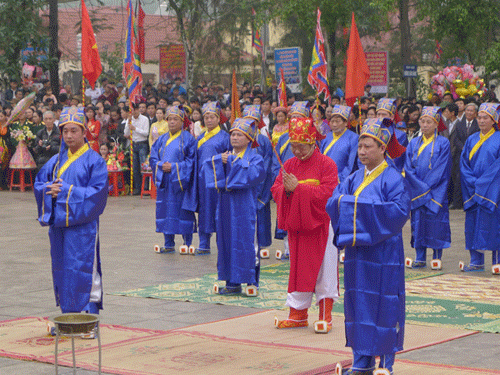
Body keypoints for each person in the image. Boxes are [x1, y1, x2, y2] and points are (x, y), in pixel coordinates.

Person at [326, 118, 410, 375]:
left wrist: (354, 208)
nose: (362, 151)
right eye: (360, 146)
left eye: (368, 146)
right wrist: (349, 206)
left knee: (385, 303)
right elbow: (335, 202)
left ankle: (386, 362)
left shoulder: (393, 178)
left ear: (383, 148)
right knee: (358, 303)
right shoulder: (353, 178)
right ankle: (361, 360)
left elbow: (398, 212)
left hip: (384, 252)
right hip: (357, 253)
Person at [33, 106, 108, 322]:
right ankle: (68, 316)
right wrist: (49, 190)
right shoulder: (56, 160)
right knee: (63, 267)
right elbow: (40, 183)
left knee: (84, 268)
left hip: (83, 227)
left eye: (74, 130)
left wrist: (65, 191)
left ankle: (89, 318)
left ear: (84, 132)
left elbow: (98, 195)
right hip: (59, 226)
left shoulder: (95, 161)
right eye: (65, 131)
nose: (69, 135)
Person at [271, 117, 339, 333]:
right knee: (297, 268)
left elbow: (329, 194)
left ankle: (325, 314)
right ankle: (297, 313)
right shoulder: (289, 164)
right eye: (293, 147)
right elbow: (276, 189)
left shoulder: (327, 164)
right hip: (298, 225)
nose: (297, 152)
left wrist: (298, 189)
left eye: (302, 147)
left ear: (313, 144)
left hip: (321, 225)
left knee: (324, 268)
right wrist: (287, 190)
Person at [203, 117, 265, 294]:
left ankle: (251, 280)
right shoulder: (225, 155)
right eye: (233, 134)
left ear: (249, 138)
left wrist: (230, 162)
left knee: (245, 240)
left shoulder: (256, 158)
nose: (235, 138)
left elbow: (253, 175)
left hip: (245, 205)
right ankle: (232, 282)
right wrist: (217, 160)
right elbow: (208, 170)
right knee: (226, 240)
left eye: (239, 134)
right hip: (225, 204)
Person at [404, 107, 451, 270]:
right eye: (422, 121)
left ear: (436, 124)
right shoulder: (413, 143)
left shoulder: (443, 143)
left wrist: (424, 189)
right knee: (418, 224)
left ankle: (437, 256)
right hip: (417, 191)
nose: (424, 125)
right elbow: (408, 168)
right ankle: (420, 256)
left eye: (428, 122)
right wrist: (419, 188)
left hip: (436, 191)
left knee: (436, 223)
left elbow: (441, 169)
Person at [149, 105, 197, 254]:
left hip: (181, 183)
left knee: (183, 210)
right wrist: (161, 165)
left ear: (182, 121)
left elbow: (192, 161)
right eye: (169, 119)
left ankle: (187, 242)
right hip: (165, 180)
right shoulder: (162, 139)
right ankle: (168, 243)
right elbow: (153, 157)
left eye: (175, 119)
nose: (172, 122)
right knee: (165, 210)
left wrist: (175, 167)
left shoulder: (188, 138)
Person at [459, 103, 500, 273]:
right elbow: (463, 164)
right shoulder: (471, 139)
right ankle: (476, 261)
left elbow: (497, 167)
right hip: (472, 190)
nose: (482, 121)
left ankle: (497, 261)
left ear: (494, 120)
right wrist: (473, 183)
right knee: (472, 225)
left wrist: (482, 184)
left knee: (494, 225)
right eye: (480, 117)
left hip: (493, 190)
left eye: (486, 118)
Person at [272, 101, 311, 260]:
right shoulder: (282, 139)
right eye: (293, 117)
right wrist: (281, 178)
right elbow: (276, 161)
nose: (295, 120)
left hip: (304, 183)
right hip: (286, 181)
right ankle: (288, 249)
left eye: (299, 117)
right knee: (287, 215)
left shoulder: (311, 138)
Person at [195, 101, 231, 255]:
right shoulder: (201, 136)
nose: (209, 120)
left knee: (220, 212)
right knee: (204, 211)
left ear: (218, 118)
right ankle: (204, 243)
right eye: (206, 117)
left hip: (219, 181)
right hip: (202, 182)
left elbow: (230, 158)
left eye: (212, 117)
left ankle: (222, 246)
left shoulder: (225, 137)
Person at [320, 105, 358, 182]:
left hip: (340, 179)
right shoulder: (326, 137)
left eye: (337, 121)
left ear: (345, 123)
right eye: (332, 121)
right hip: (323, 178)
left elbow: (350, 164)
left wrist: (340, 178)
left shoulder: (354, 138)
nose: (334, 124)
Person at [124, 102, 150, 195]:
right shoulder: (129, 119)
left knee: (143, 167)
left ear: (138, 109)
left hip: (142, 144)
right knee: (134, 167)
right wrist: (128, 123)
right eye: (131, 110)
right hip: (133, 144)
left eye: (135, 109)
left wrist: (135, 128)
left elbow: (146, 133)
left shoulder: (145, 119)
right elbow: (126, 133)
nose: (133, 112)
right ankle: (138, 188)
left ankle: (145, 188)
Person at [376, 98, 408, 171]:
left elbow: (397, 158)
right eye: (378, 114)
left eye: (384, 114)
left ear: (392, 117)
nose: (380, 117)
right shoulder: (371, 132)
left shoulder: (400, 135)